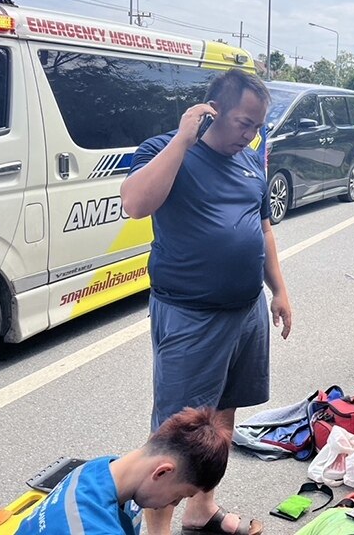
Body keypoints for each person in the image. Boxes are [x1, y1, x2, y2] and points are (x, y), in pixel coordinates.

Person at [120, 69, 292, 535]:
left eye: (257, 126)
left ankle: (201, 512)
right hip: (191, 315)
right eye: (242, 122)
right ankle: (156, 530)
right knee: (177, 433)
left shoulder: (250, 160)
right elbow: (135, 203)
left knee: (222, 422)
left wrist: (279, 291)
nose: (250, 134)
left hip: (246, 311)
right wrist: (182, 138)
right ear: (211, 111)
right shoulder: (165, 149)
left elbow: (263, 228)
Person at [15, 407, 231, 535]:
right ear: (162, 472)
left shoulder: (101, 469)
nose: (173, 505)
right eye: (179, 496)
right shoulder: (91, 527)